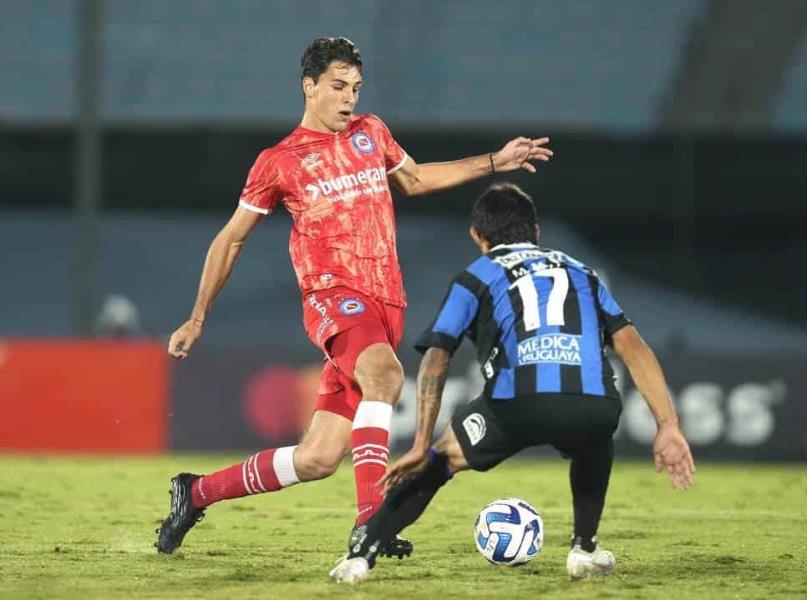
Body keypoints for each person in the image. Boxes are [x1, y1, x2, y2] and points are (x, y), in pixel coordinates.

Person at [154, 37, 553, 557]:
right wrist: (197, 317)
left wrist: (495, 161)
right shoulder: (279, 162)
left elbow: (415, 179)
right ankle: (372, 524)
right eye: (339, 86)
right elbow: (231, 239)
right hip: (333, 297)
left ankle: (195, 493)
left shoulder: (371, 132)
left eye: (356, 88)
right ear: (309, 86)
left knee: (318, 458)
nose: (349, 98)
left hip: (386, 302)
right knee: (385, 376)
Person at [329, 182, 695, 583]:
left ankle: (361, 557)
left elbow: (438, 354)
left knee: (440, 460)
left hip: (518, 404)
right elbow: (634, 347)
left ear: (477, 236)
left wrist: (420, 443)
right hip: (594, 404)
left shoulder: (476, 276)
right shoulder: (582, 272)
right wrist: (668, 425)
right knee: (595, 437)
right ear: (534, 230)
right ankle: (584, 548)